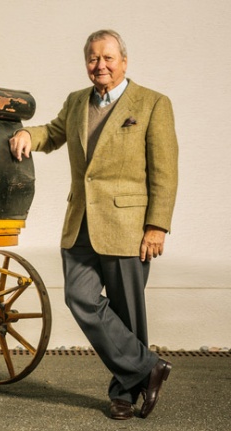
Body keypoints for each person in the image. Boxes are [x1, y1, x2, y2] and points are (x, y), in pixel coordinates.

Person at [9, 29, 178, 420]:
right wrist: (24, 134)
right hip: (81, 220)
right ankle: (147, 368)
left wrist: (157, 226)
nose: (99, 65)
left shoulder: (153, 104)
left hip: (129, 225)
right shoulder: (76, 102)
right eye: (92, 58)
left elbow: (165, 173)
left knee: (126, 312)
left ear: (124, 61)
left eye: (107, 58)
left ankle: (124, 393)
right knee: (80, 297)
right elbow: (51, 134)